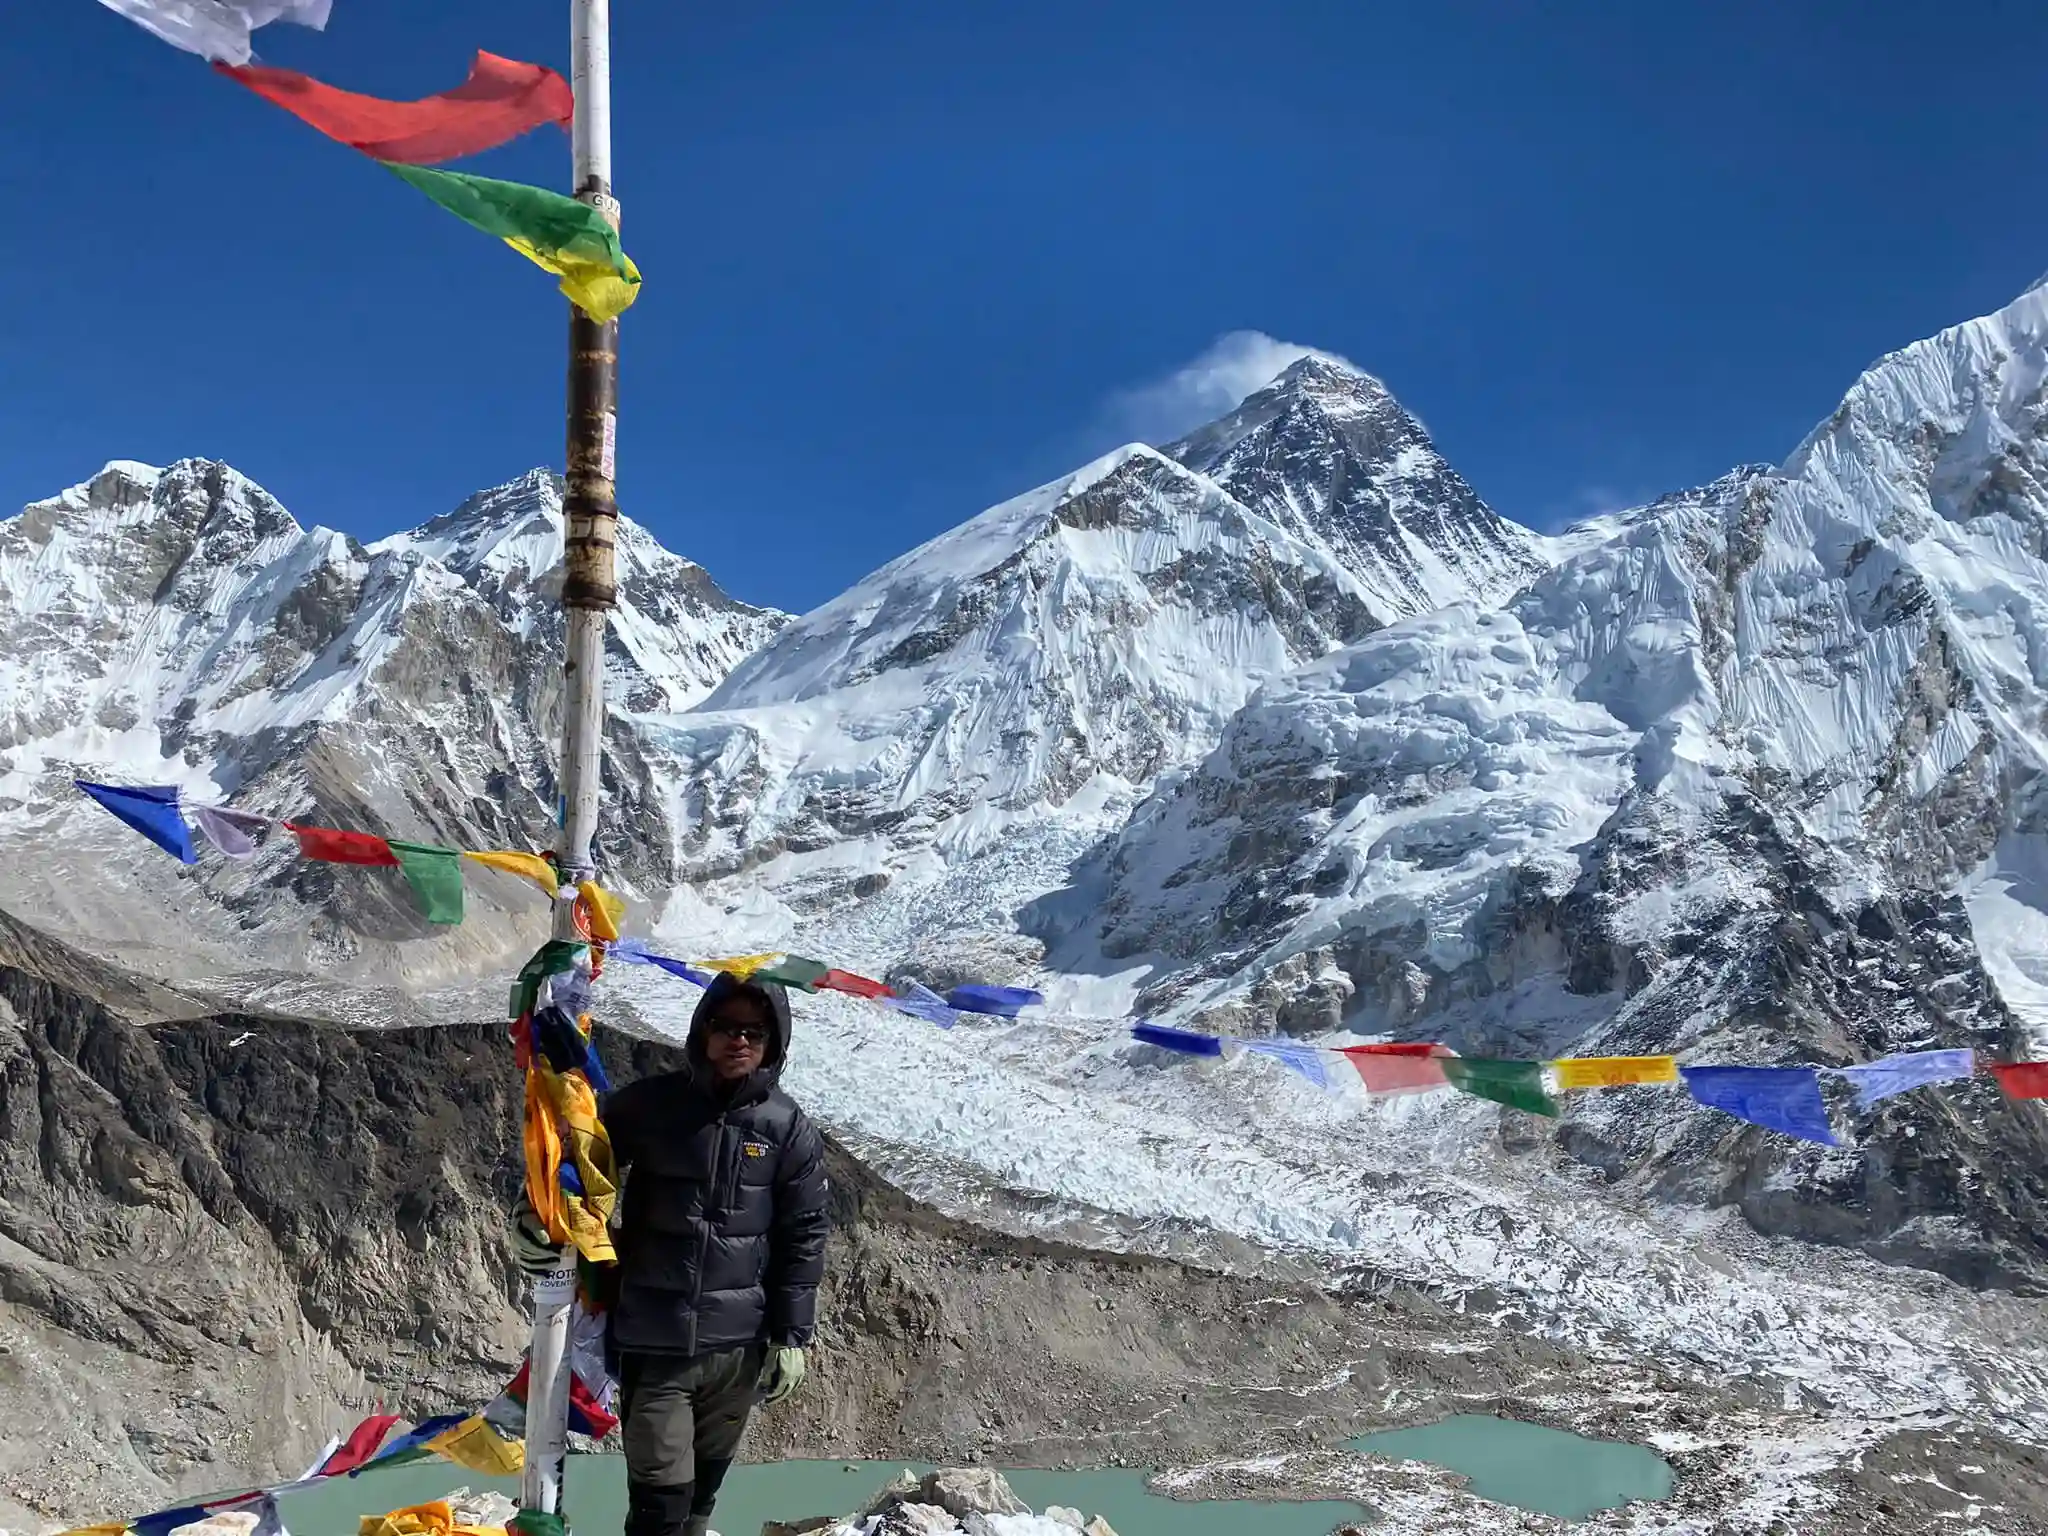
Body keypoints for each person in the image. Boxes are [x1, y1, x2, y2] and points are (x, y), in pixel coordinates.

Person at [513, 971, 830, 1536]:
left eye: (754, 1032)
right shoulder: (651, 1106)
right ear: (703, 1030)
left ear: (773, 1042)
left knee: (699, 1504)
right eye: (725, 1026)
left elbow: (802, 1234)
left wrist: (791, 1337)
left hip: (738, 1351)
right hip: (655, 1341)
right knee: (659, 1507)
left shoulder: (787, 1130)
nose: (738, 1041)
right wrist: (535, 1214)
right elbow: (577, 1160)